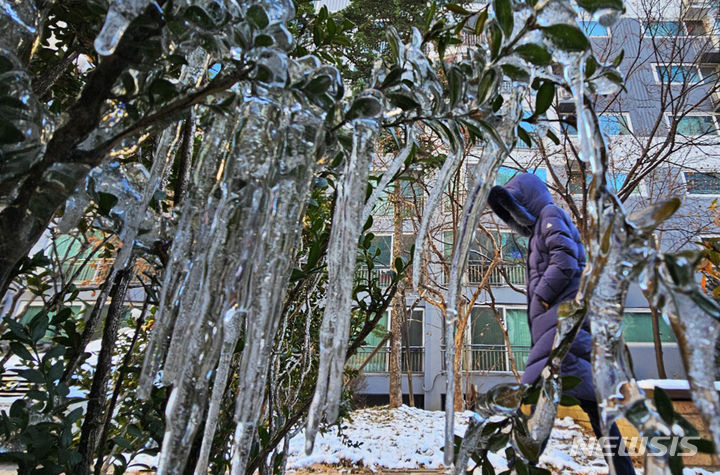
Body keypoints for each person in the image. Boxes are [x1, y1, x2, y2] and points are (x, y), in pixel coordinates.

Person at [487, 173, 636, 475]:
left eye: (516, 207)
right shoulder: (544, 223)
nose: (515, 217)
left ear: (529, 200)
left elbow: (565, 260)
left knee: (539, 404)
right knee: (588, 408)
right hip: (564, 328)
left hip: (560, 331)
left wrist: (541, 297)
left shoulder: (550, 214)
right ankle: (623, 471)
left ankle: (520, 467)